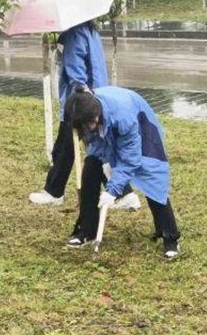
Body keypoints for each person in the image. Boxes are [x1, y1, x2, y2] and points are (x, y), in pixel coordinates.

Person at [29, 21, 140, 210]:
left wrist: (78, 97)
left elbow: (76, 71)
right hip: (95, 97)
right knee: (72, 148)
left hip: (80, 102)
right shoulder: (90, 30)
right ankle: (56, 190)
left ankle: (56, 192)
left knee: (75, 149)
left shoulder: (75, 34)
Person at [64, 86, 181, 259]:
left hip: (142, 128)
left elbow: (130, 160)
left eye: (90, 123)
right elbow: (95, 144)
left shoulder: (123, 116)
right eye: (84, 125)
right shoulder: (81, 113)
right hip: (113, 127)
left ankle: (170, 237)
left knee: (152, 179)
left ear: (96, 115)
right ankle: (87, 232)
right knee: (91, 167)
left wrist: (112, 190)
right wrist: (105, 161)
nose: (88, 127)